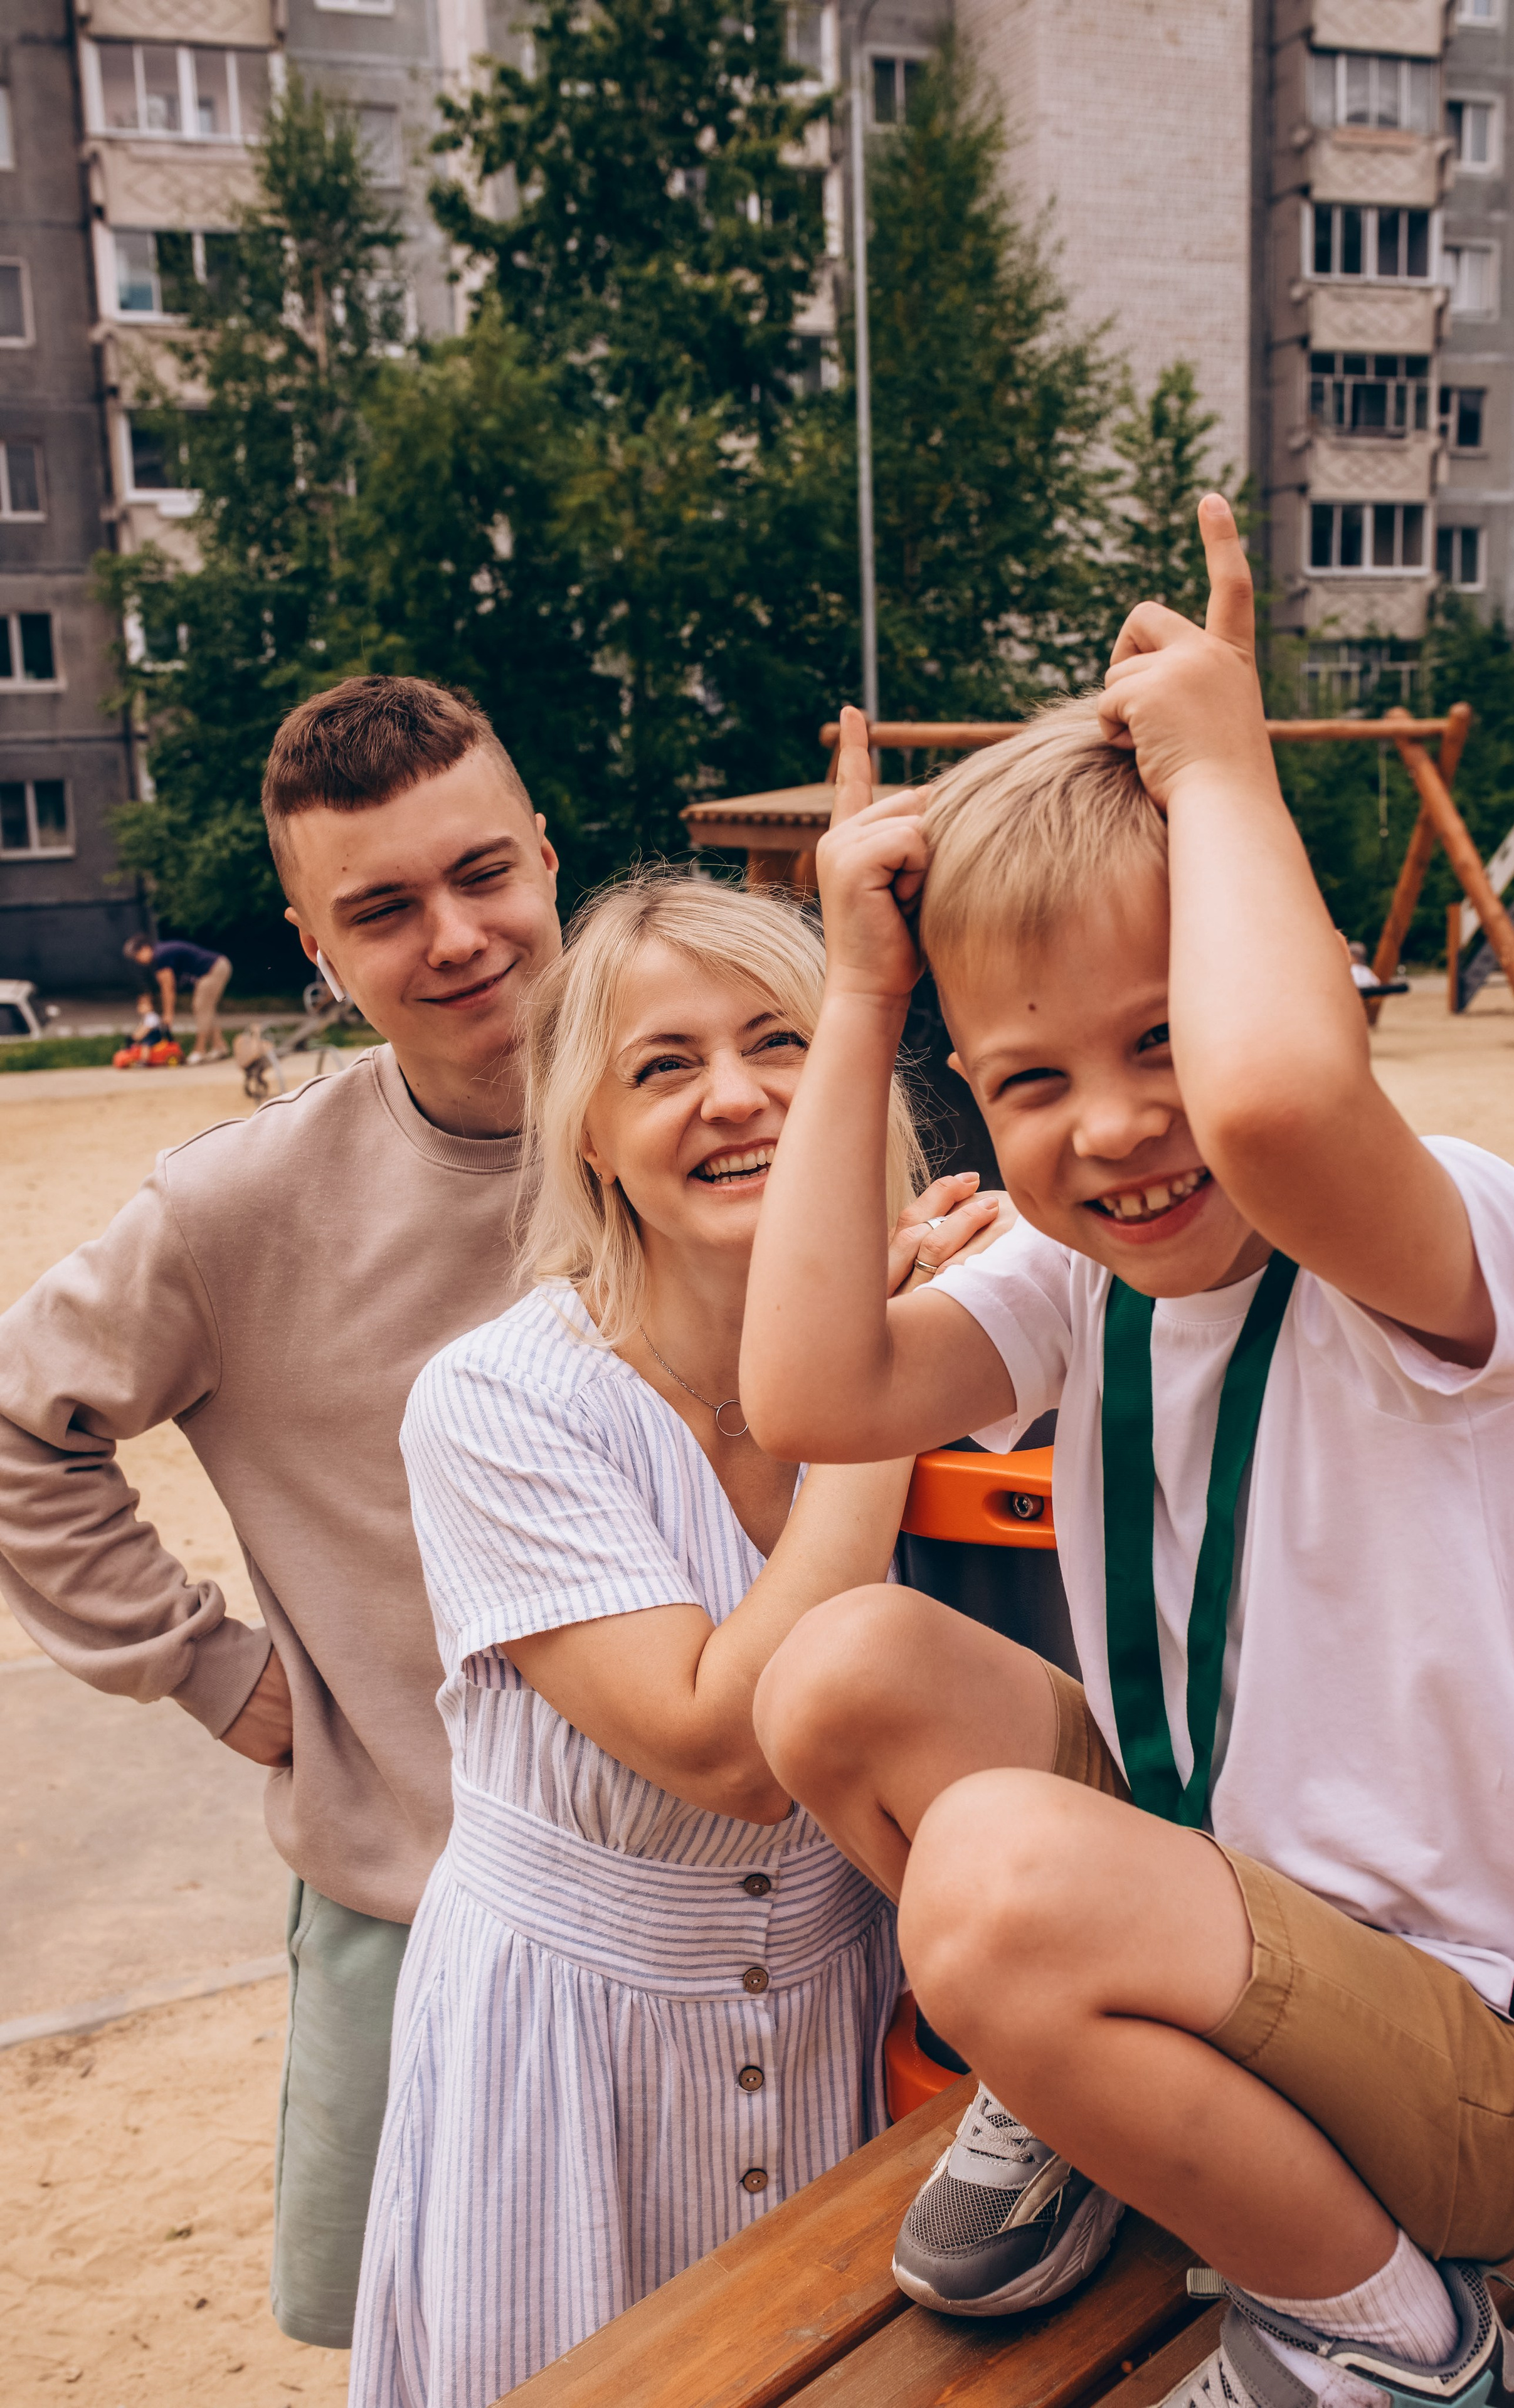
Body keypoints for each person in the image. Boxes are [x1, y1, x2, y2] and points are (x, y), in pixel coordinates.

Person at [741, 501, 1514, 2408]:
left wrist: (1224, 768)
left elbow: (1280, 1107)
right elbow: (805, 1391)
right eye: (1031, 1079)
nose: (1119, 1126)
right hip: (1225, 1929)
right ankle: (1088, 2083)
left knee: (989, 1880)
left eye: (1160, 1038)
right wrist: (859, 993)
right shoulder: (1082, 1279)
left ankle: (1401, 2347)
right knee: (834, 1671)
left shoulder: (1431, 1235)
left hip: (1484, 2071)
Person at [350, 874, 998, 2407]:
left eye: (779, 1040)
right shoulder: (499, 1401)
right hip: (565, 2059)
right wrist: (874, 1390)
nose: (733, 1096)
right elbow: (725, 1750)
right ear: (586, 1131)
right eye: (662, 1065)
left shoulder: (973, 1322)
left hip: (846, 2026)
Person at [0, 675, 561, 2352]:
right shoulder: (239, 1205)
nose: (454, 937)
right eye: (382, 910)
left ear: (547, 858)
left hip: (750, 1893)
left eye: (483, 873)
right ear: (316, 948)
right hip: (420, 1894)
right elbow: (22, 1420)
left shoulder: (719, 1113)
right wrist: (204, 1665)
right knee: (440, 2356)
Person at [123, 931, 234, 1063]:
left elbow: (168, 988)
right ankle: (219, 1047)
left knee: (201, 1007)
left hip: (213, 969)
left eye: (137, 956)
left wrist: (168, 1015)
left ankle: (200, 1051)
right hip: (217, 967)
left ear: (145, 948)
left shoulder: (161, 956)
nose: (138, 961)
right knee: (206, 1009)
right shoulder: (160, 954)